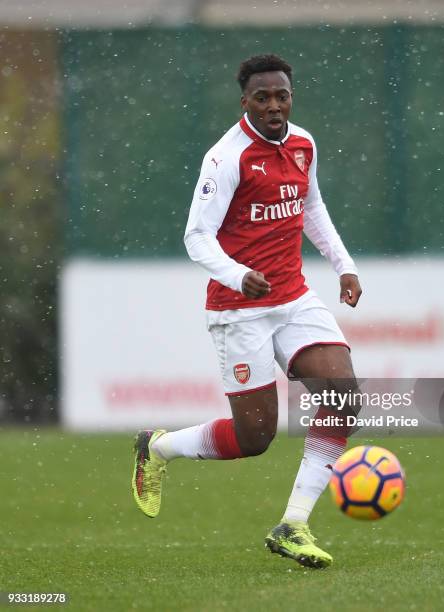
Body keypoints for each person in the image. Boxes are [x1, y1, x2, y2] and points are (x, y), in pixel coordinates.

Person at [132, 54, 362, 569]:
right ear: (245, 103)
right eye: (263, 97)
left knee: (344, 395)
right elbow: (196, 236)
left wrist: (343, 265)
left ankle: (293, 524)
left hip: (294, 297)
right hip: (240, 309)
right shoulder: (226, 158)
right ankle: (159, 447)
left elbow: (311, 207)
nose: (275, 105)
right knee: (255, 437)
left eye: (282, 95)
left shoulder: (303, 144)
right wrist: (238, 274)